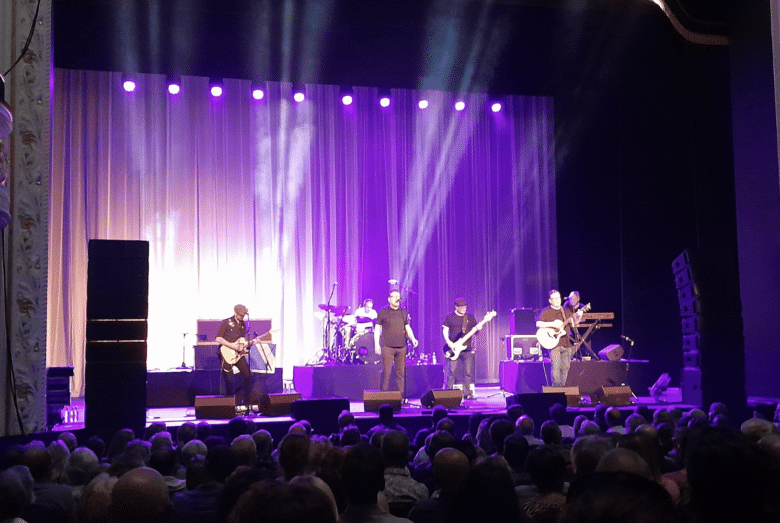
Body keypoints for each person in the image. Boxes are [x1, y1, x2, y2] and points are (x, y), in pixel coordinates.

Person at [375, 290, 419, 402]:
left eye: (398, 297)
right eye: (394, 297)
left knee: (400, 373)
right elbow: (377, 329)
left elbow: (407, 327)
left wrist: (413, 338)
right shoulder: (383, 312)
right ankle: (383, 397)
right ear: (389, 299)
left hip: (401, 347)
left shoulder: (403, 312)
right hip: (387, 347)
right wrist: (376, 344)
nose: (397, 299)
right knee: (386, 372)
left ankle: (399, 397)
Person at [215, 304, 257, 407]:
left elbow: (241, 343)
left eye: (243, 315)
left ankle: (246, 402)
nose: (242, 317)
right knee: (229, 380)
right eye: (240, 315)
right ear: (235, 313)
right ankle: (230, 405)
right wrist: (233, 346)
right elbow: (218, 339)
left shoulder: (243, 326)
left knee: (248, 375)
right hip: (226, 353)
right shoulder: (226, 322)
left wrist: (250, 343)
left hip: (237, 355)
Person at [536, 289, 576, 387]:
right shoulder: (546, 311)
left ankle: (563, 388)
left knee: (566, 367)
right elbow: (538, 323)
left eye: (558, 298)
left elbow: (573, 324)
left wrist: (578, 317)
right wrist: (553, 324)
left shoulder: (566, 311)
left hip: (566, 343)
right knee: (556, 367)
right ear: (550, 300)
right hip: (554, 344)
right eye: (555, 298)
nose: (557, 300)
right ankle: (556, 390)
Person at [442, 298, 479, 400]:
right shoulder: (450, 317)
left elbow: (476, 331)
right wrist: (449, 342)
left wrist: (478, 329)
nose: (464, 308)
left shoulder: (470, 317)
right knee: (451, 372)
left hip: (467, 349)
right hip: (453, 348)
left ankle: (467, 393)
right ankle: (448, 394)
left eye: (465, 307)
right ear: (456, 307)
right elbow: (445, 330)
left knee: (468, 372)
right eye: (461, 307)